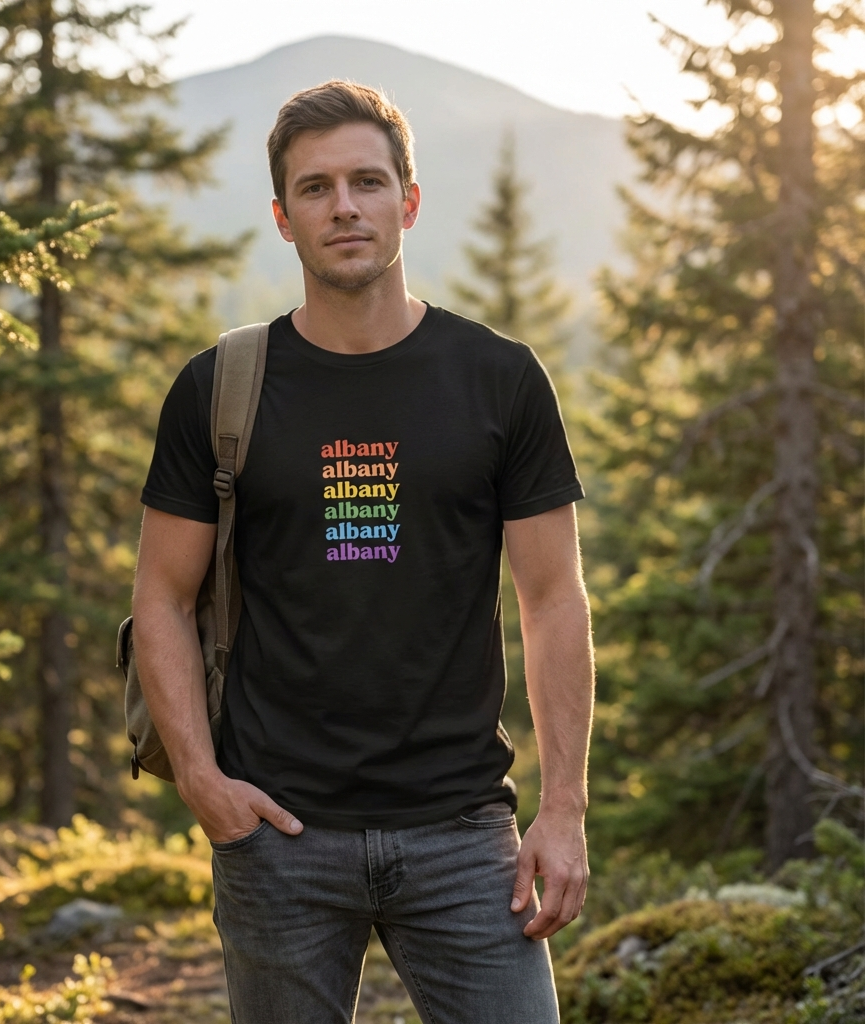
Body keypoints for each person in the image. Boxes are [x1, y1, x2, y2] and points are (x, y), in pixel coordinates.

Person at [132, 80, 594, 1024]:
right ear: (283, 218)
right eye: (315, 188)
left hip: (465, 833)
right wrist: (203, 784)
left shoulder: (499, 380)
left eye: (368, 182)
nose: (345, 206)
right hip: (278, 836)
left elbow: (553, 600)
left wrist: (564, 811)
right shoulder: (219, 388)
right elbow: (162, 597)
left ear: (408, 202)